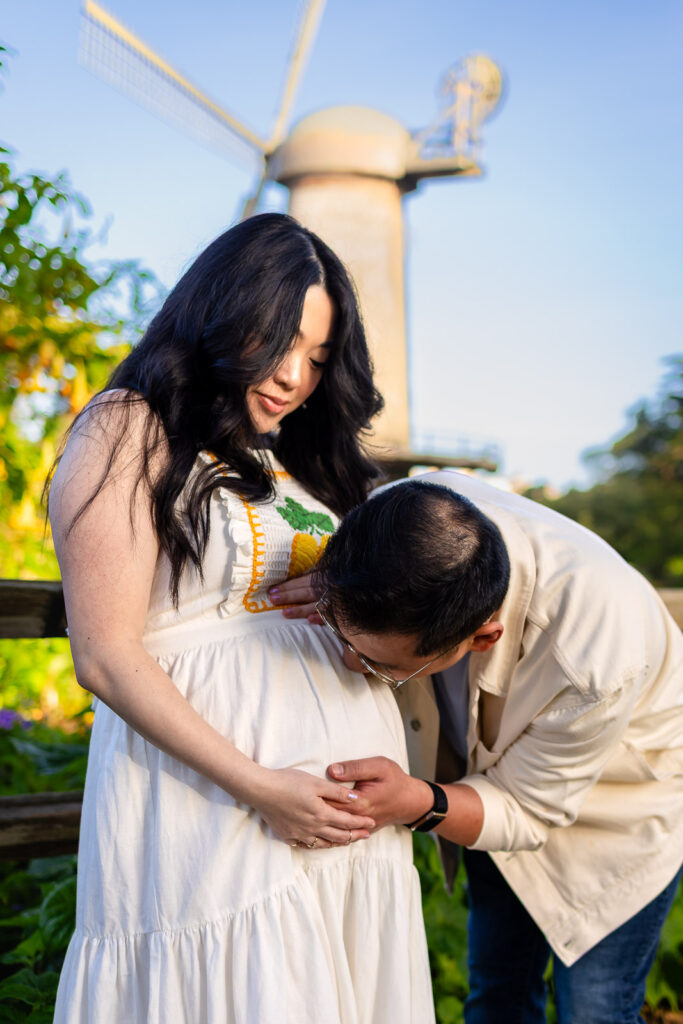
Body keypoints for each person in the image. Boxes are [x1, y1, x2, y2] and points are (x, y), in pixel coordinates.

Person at [48, 214, 434, 1024]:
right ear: (224, 314)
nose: (295, 377)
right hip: (214, 804)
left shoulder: (300, 460)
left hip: (343, 837)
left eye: (318, 359)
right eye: (280, 343)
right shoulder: (128, 425)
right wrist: (262, 788)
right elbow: (107, 656)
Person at [273, 473, 683, 1024]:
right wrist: (341, 587)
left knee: (596, 1008)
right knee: (496, 995)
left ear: (482, 637)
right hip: (485, 787)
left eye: (380, 665)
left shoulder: (594, 655)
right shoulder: (399, 522)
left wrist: (417, 802)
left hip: (620, 811)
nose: (350, 663)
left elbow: (527, 810)